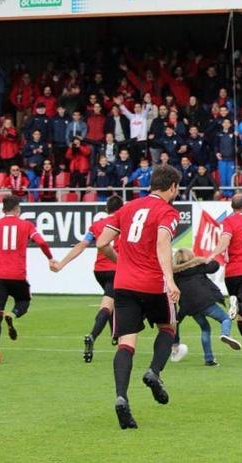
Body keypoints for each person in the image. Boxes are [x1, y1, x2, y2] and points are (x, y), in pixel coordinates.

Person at [95, 165, 182, 430]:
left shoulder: (128, 208)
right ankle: (154, 371)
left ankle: (121, 397)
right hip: (152, 283)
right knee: (168, 327)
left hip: (123, 284)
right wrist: (169, 279)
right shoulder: (168, 212)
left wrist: (120, 262)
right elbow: (162, 242)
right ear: (172, 187)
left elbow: (101, 243)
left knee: (126, 343)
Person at [0, 195, 56, 364]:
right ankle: (13, 315)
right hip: (17, 275)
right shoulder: (27, 225)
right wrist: (50, 258)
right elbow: (42, 243)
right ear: (17, 209)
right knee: (24, 301)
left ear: (3, 210)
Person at [51, 195, 124, 363]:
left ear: (106, 209)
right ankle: (93, 335)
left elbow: (82, 245)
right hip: (116, 269)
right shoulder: (124, 222)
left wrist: (61, 264)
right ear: (122, 208)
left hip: (99, 271)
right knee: (109, 303)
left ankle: (115, 334)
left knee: (114, 300)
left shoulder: (96, 226)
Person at [207, 194, 242, 359]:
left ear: (232, 207)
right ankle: (238, 305)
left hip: (231, 274)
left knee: (240, 315)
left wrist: (212, 254)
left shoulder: (228, 222)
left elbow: (224, 241)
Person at [172, 249, 241, 366]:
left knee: (205, 328)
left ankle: (209, 359)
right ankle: (226, 334)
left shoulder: (175, 275)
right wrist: (201, 260)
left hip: (190, 307)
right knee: (225, 319)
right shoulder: (198, 268)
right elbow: (215, 266)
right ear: (191, 258)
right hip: (205, 302)